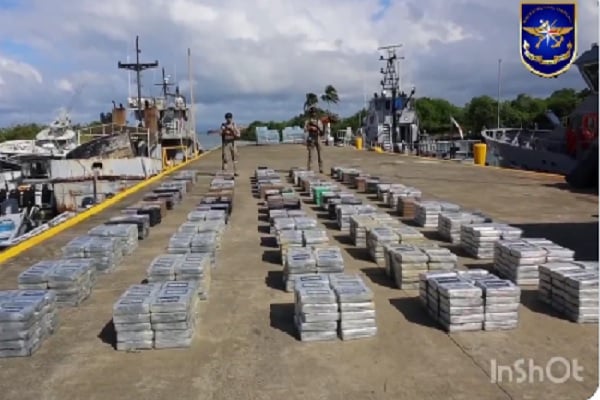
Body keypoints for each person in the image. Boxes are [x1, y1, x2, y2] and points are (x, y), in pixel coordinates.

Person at [304, 107, 324, 173]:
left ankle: (321, 168)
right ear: (310, 113)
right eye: (312, 112)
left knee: (320, 154)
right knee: (310, 155)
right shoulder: (308, 121)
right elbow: (305, 129)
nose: (313, 113)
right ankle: (310, 168)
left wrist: (317, 129)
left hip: (317, 137)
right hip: (311, 137)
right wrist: (310, 128)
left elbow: (322, 131)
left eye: (314, 112)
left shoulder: (319, 121)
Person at [220, 112, 240, 176]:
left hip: (233, 143)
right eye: (227, 118)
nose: (229, 119)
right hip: (225, 143)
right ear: (225, 118)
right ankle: (225, 172)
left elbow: (238, 134)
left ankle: (236, 171)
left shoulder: (234, 125)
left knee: (235, 157)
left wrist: (233, 132)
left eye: (230, 118)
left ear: (231, 118)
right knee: (225, 158)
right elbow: (220, 134)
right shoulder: (223, 125)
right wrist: (223, 131)